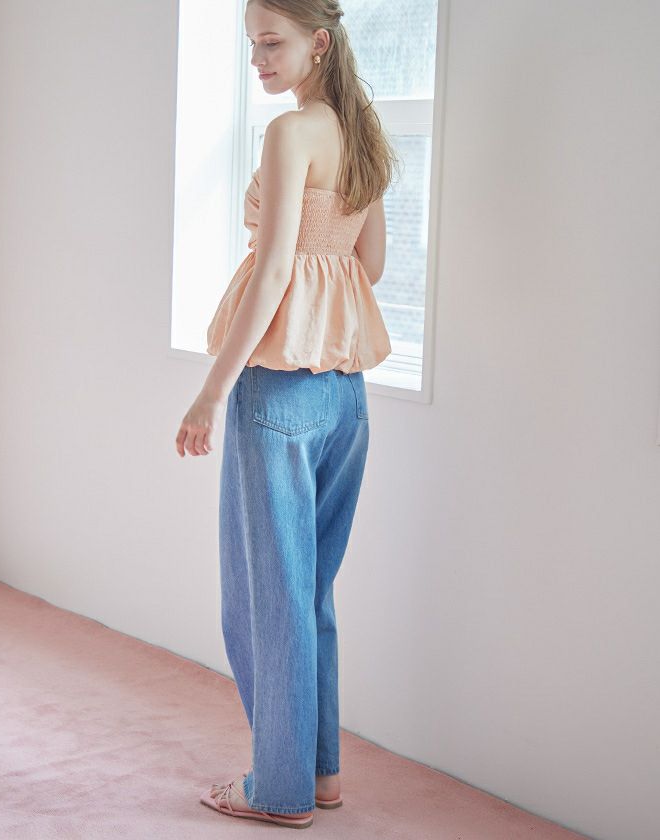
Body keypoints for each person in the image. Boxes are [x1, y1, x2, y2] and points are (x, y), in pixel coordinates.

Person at [175, 0, 397, 829]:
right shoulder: (363, 131)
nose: (258, 59)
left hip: (277, 390)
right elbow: (372, 262)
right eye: (252, 44)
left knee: (264, 602)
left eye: (272, 43)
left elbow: (272, 275)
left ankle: (278, 789)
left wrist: (212, 390)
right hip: (345, 394)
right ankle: (321, 775)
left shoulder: (291, 131)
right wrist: (322, 251)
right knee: (309, 595)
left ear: (320, 42)